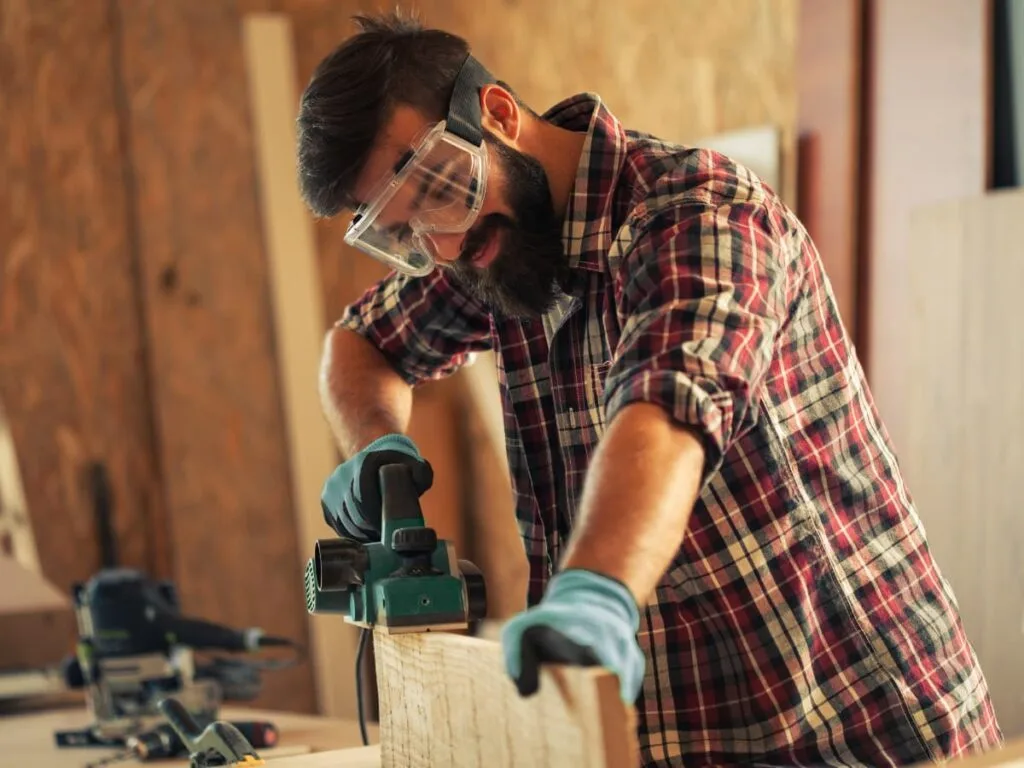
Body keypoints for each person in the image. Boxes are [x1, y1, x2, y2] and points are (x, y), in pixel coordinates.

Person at [298, 12, 1003, 767]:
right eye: (403, 234)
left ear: (497, 114)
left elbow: (666, 413)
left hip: (851, 726)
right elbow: (359, 342)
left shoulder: (699, 213)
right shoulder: (492, 253)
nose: (443, 244)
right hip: (692, 736)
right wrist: (380, 448)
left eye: (440, 189)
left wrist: (596, 591)